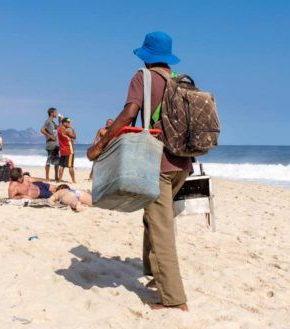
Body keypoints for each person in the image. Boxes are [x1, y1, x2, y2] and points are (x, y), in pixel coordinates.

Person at [87, 31, 192, 311]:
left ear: (146, 56)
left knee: (162, 229)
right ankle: (156, 276)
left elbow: (129, 114)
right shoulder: (180, 81)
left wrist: (100, 144)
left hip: (156, 162)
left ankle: (174, 299)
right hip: (183, 163)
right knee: (156, 219)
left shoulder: (143, 78)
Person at [41, 107, 61, 182]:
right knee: (49, 160)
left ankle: (56, 177)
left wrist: (59, 121)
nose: (56, 113)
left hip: (56, 144)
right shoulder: (48, 121)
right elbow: (42, 130)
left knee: (56, 161)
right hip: (50, 144)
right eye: (55, 112)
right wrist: (50, 136)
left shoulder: (53, 122)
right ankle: (47, 177)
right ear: (51, 113)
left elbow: (58, 129)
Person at [58, 117, 77, 183]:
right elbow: (74, 137)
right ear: (64, 123)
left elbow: (60, 123)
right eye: (68, 122)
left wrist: (60, 119)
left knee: (61, 166)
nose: (69, 124)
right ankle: (73, 180)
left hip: (62, 150)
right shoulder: (67, 131)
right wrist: (73, 128)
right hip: (69, 150)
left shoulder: (59, 129)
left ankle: (59, 179)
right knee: (70, 166)